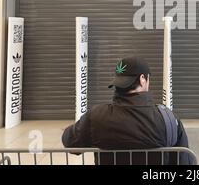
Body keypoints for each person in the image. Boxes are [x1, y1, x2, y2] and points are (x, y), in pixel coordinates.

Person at [61, 57, 192, 164]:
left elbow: (70, 143)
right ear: (142, 79)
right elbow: (184, 161)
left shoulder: (96, 116)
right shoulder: (168, 119)